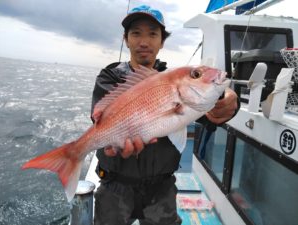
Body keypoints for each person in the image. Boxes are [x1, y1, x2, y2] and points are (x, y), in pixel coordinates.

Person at [91, 5, 239, 225]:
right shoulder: (110, 77)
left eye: (152, 33)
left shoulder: (173, 80)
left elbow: (207, 115)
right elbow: (103, 121)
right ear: (126, 39)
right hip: (115, 187)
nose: (144, 41)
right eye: (136, 33)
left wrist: (226, 100)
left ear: (162, 41)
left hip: (161, 189)